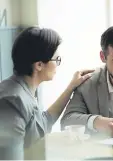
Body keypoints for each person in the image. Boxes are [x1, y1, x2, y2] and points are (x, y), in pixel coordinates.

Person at [0, 27, 94, 159]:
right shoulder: (12, 101)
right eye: (57, 60)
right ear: (39, 65)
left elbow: (43, 122)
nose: (57, 65)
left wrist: (71, 87)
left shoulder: (24, 90)